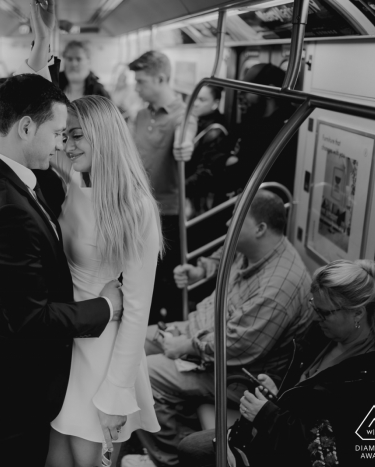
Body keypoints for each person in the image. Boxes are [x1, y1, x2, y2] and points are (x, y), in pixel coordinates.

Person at [0, 2, 124, 465]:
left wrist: (38, 62)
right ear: (28, 127)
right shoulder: (6, 210)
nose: (61, 145)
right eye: (56, 134)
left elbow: (11, 119)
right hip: (18, 383)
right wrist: (107, 306)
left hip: (8, 372)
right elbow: (31, 321)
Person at [124, 190, 313, 467]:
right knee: (132, 344)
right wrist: (201, 271)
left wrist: (187, 346)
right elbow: (225, 253)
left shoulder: (278, 287)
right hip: (201, 333)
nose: (228, 225)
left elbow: (239, 346)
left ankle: (169, 460)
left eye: (237, 218)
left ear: (260, 229)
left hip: (237, 373)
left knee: (142, 372)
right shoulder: (252, 246)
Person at [178, 259, 375, 467]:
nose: (316, 318)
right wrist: (279, 390)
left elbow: (330, 451)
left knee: (194, 451)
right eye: (314, 307)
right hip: (275, 432)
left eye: (324, 313)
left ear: (357, 313)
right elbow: (301, 389)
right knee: (191, 447)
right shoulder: (323, 335)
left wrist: (266, 414)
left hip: (291, 449)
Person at [41, 93, 162, 466]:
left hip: (102, 351)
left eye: (77, 136)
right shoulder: (75, 178)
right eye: (65, 135)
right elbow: (33, 127)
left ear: (102, 135)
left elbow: (138, 309)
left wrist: (116, 393)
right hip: (67, 340)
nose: (67, 145)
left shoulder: (136, 206)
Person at [128, 50, 197, 324]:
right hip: (137, 207)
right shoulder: (142, 115)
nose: (137, 87)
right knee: (140, 278)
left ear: (160, 78)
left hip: (167, 213)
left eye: (142, 81)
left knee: (166, 281)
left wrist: (185, 144)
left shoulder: (183, 114)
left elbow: (185, 135)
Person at [226, 63, 296, 194]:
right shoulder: (251, 120)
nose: (241, 97)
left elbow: (247, 172)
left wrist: (235, 163)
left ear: (268, 92)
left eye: (246, 91)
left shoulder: (287, 131)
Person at [184, 85, 231, 216]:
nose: (195, 103)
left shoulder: (216, 131)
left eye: (202, 100)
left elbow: (206, 172)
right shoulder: (197, 123)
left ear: (215, 103)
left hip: (199, 202)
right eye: (194, 98)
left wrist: (179, 189)